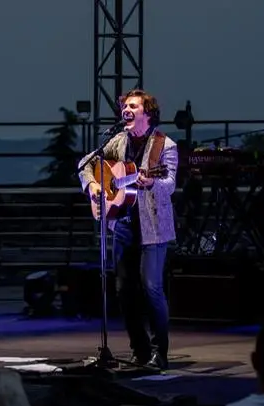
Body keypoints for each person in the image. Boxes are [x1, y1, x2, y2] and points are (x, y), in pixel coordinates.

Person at [77, 89, 178, 370]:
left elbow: (169, 183)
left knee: (151, 288)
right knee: (123, 289)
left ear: (148, 112)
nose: (127, 109)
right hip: (122, 223)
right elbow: (84, 164)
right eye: (125, 106)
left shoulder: (164, 145)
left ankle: (160, 352)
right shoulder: (118, 141)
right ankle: (140, 349)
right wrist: (94, 186)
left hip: (153, 227)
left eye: (134, 106)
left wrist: (151, 183)